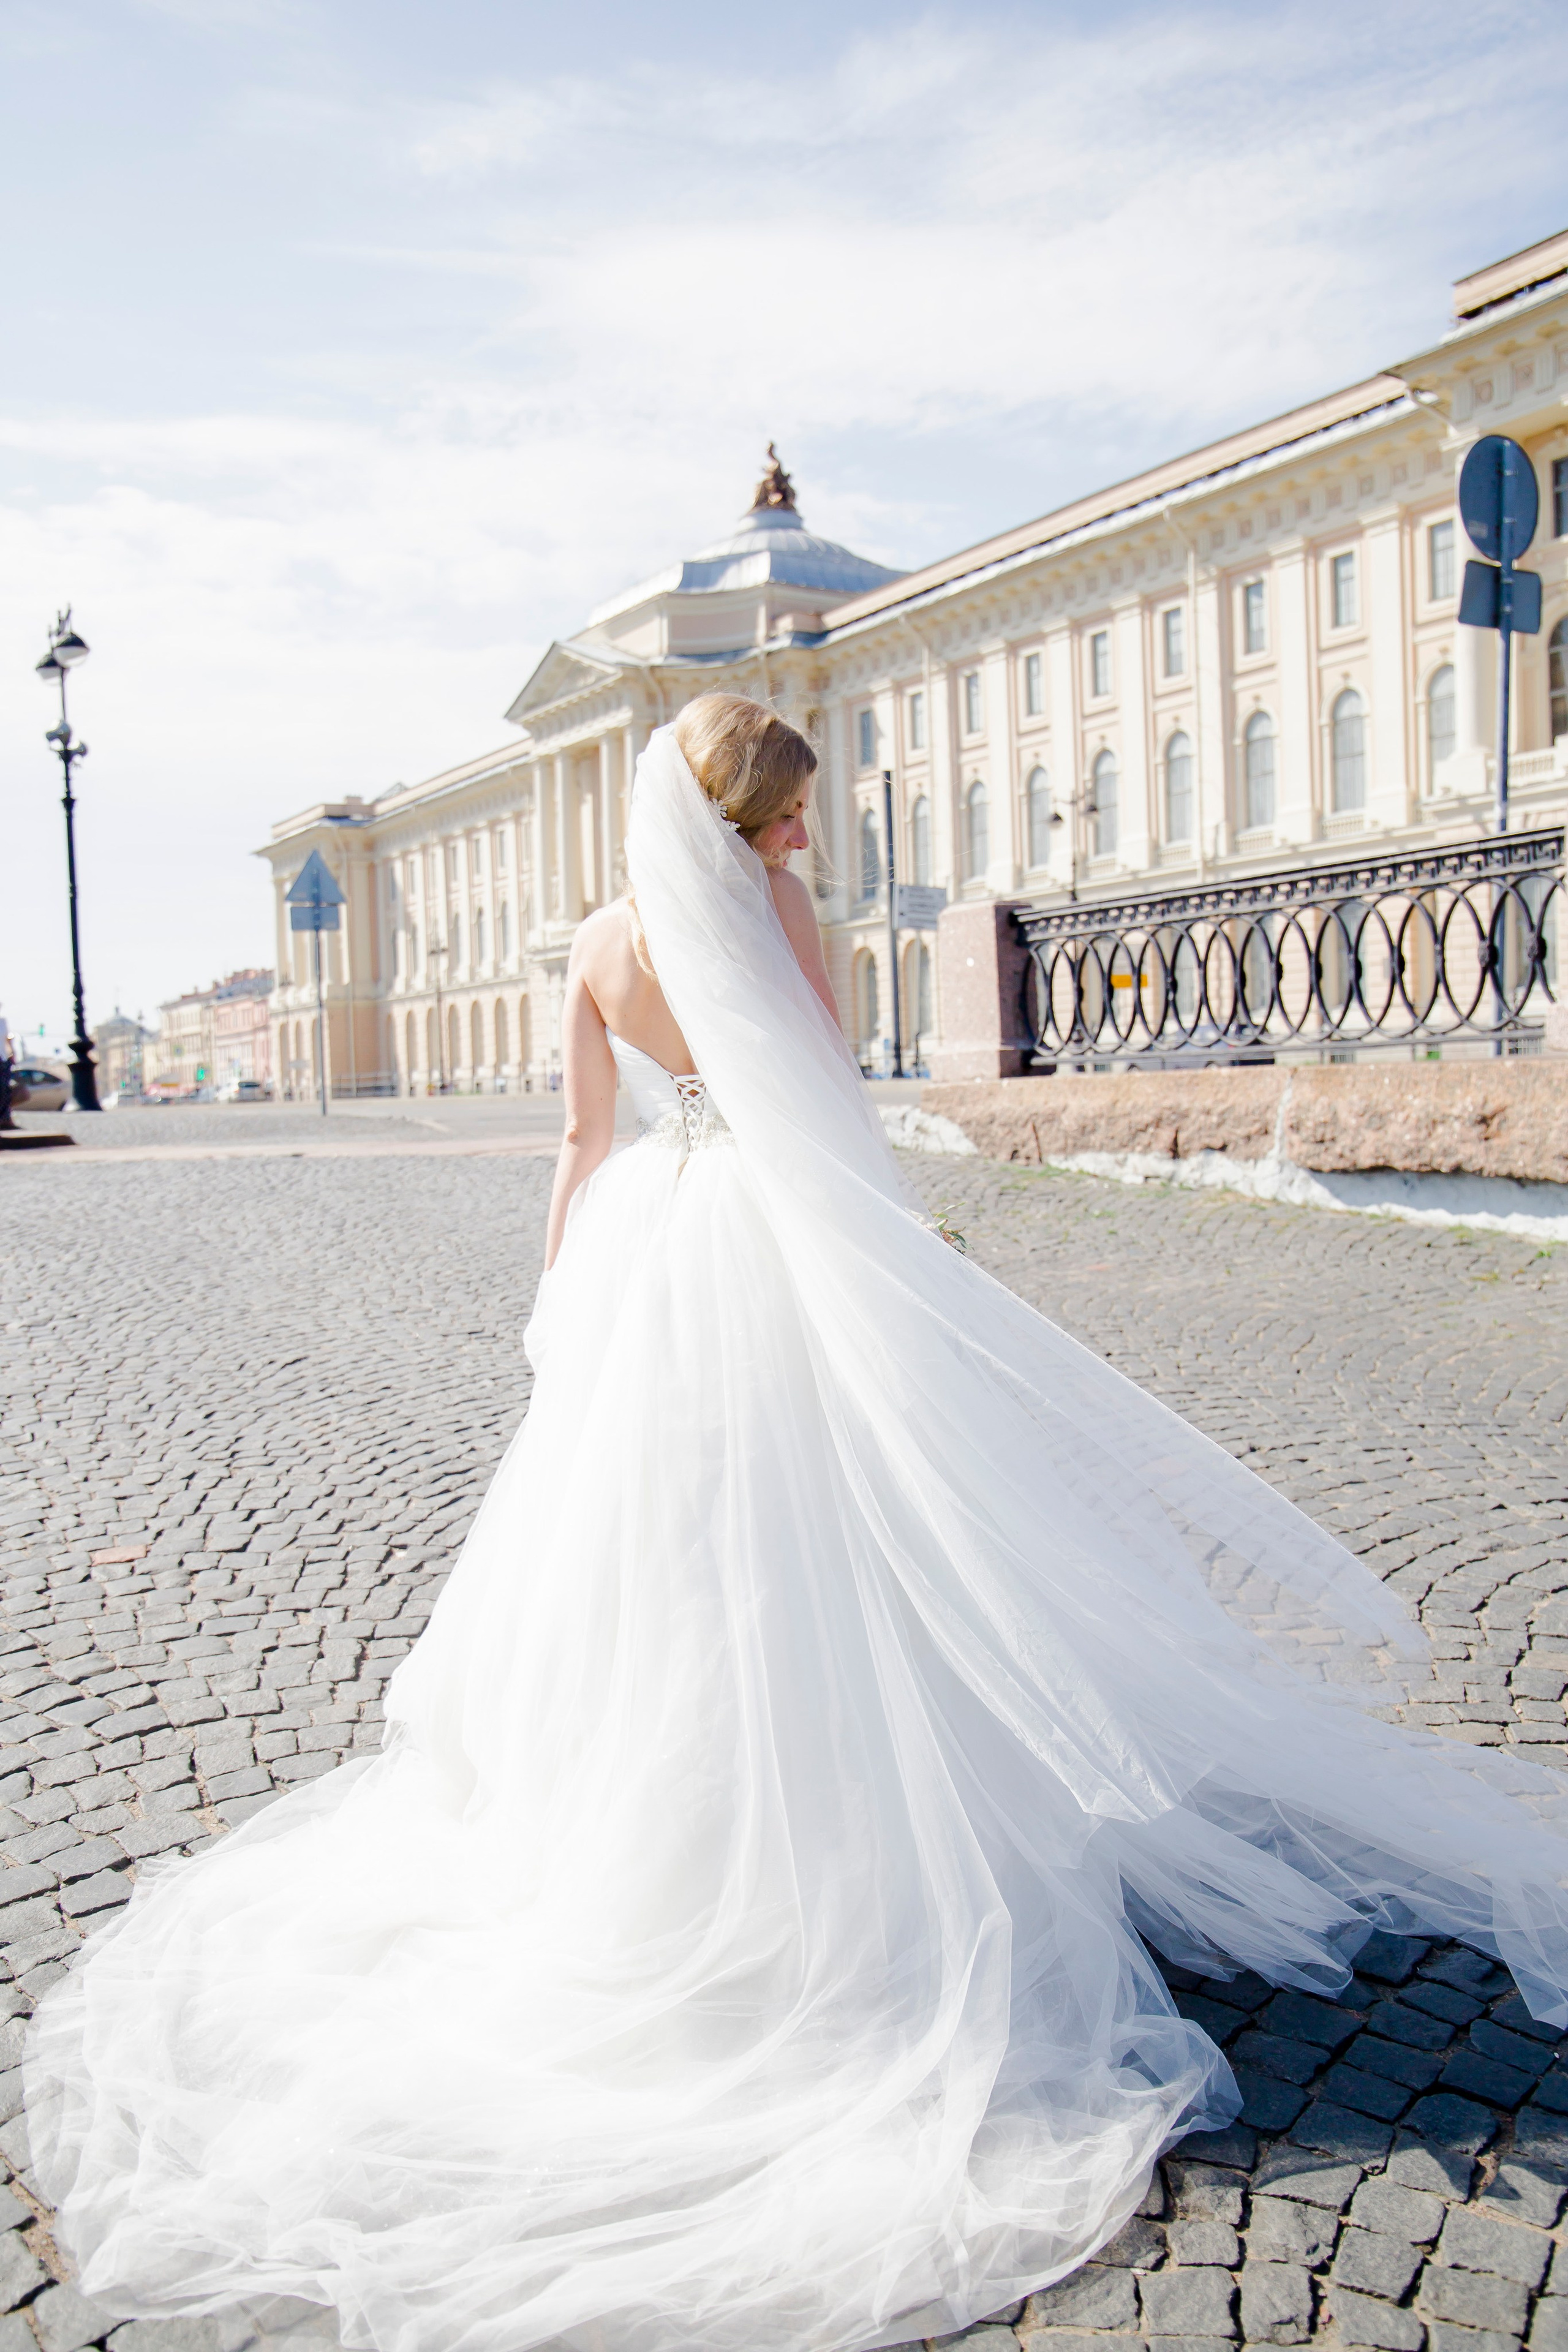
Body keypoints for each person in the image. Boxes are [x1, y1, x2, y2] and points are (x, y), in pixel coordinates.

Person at [24, 696, 1568, 2352]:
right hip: (771, 1244)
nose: (802, 844)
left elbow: (580, 1134)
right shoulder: (767, 911)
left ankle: (662, 1844)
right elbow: (823, 1097)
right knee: (851, 1539)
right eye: (787, 816)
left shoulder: (604, 937)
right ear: (747, 816)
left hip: (642, 1257)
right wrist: (897, 1272)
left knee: (665, 1560)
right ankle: (864, 1849)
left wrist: (559, 1299)